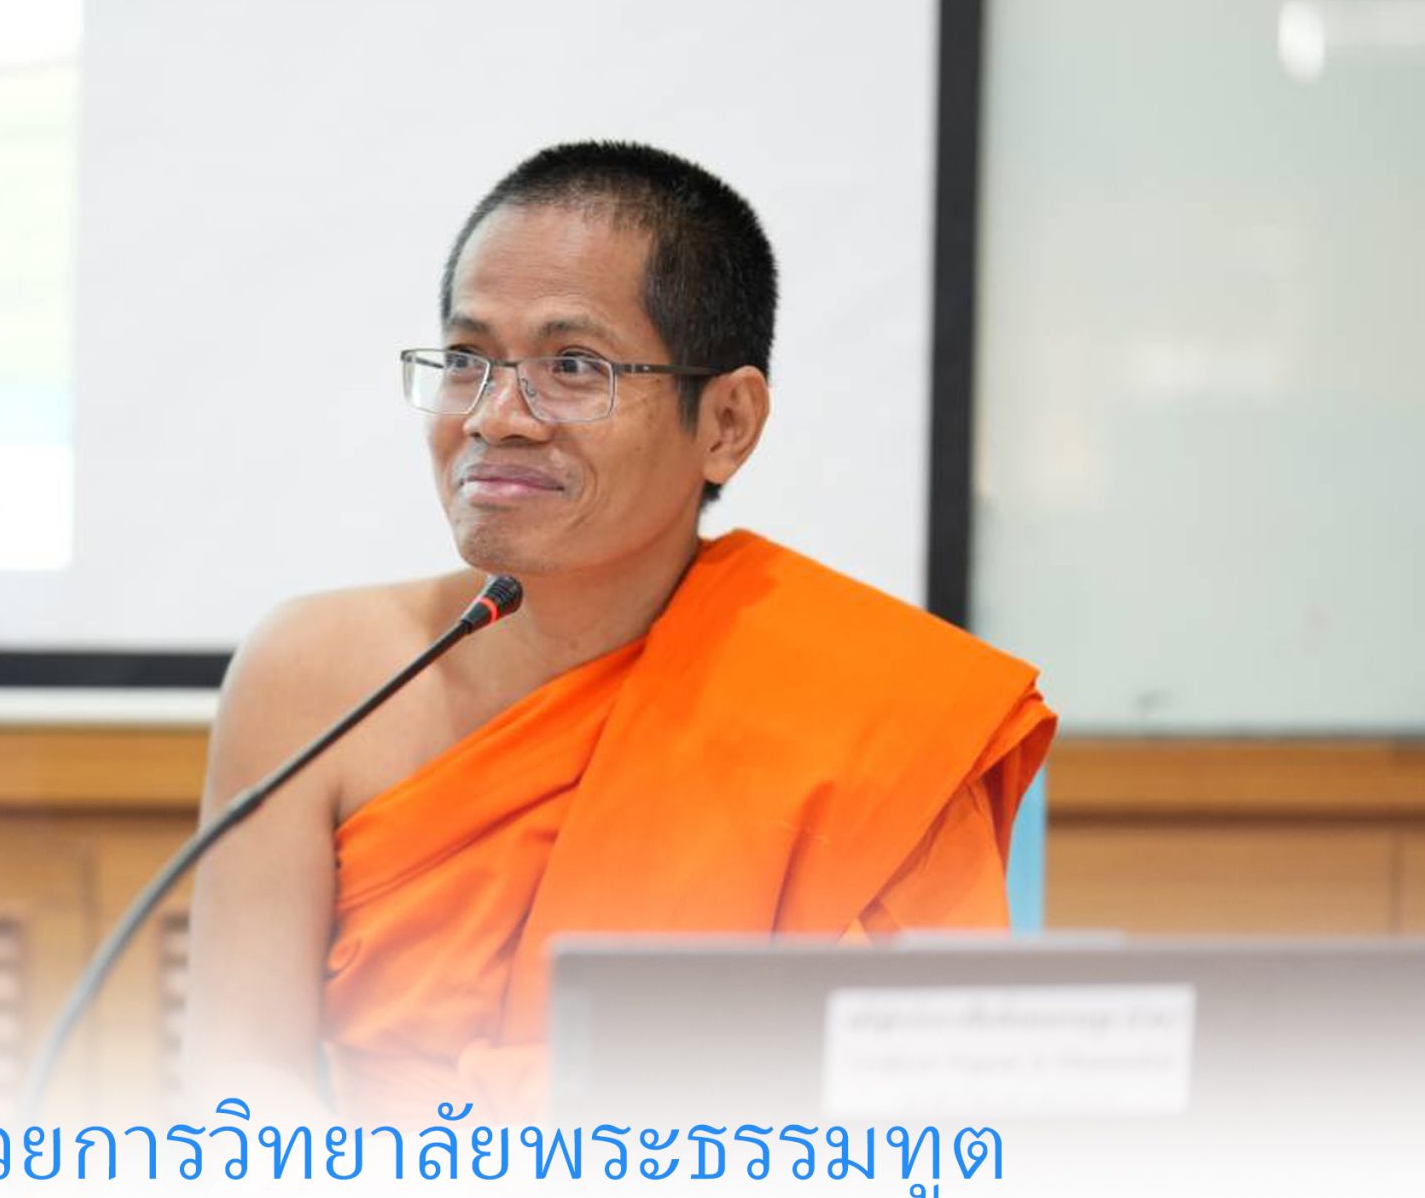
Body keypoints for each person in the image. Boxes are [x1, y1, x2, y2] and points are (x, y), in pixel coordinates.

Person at [181, 140, 1054, 1121]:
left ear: (725, 423)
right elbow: (238, 1073)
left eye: (572, 366)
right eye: (466, 361)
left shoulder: (881, 715)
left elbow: (927, 1123)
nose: (496, 417)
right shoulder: (314, 675)